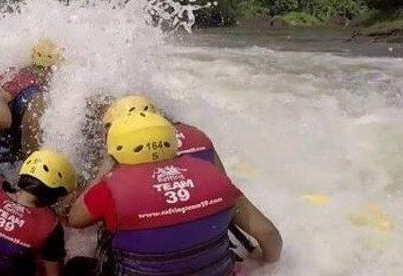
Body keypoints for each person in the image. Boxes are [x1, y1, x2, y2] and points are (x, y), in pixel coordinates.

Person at [68, 111, 282, 275]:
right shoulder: (213, 174)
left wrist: (102, 172)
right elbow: (267, 233)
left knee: (76, 266)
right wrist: (265, 264)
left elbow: (75, 220)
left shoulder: (109, 189)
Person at [0, 39, 64, 161]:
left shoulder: (7, 75)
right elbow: (32, 125)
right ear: (51, 68)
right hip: (2, 158)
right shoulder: (35, 91)